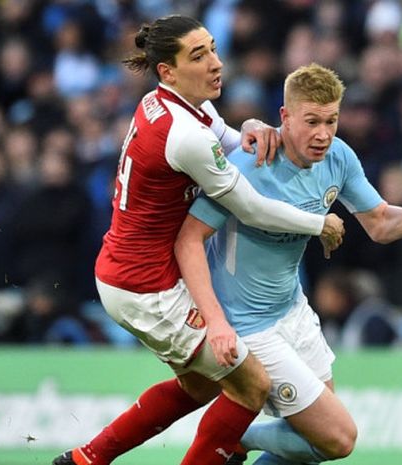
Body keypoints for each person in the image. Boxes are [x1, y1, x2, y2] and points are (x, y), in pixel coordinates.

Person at [53, 16, 344, 465]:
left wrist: (252, 125)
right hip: (143, 287)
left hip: (137, 270)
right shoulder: (182, 134)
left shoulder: (174, 105)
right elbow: (248, 206)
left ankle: (87, 458)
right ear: (167, 71)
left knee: (204, 385)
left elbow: (227, 139)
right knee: (252, 383)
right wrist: (317, 222)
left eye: (212, 48)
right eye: (199, 55)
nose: (216, 63)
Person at [175, 63, 402, 464]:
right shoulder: (248, 165)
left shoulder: (338, 157)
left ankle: (237, 438)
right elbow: (189, 241)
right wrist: (216, 321)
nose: (323, 134)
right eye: (312, 121)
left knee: (309, 447)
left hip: (293, 311)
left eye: (331, 121)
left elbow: (381, 224)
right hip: (248, 326)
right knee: (338, 439)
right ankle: (236, 435)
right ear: (284, 117)